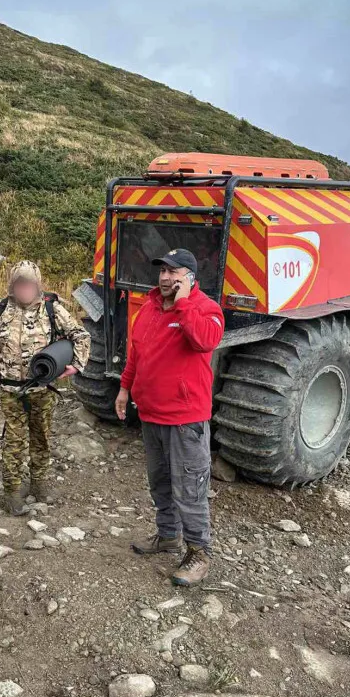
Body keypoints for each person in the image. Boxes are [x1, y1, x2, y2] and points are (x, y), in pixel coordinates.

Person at [115, 248, 224, 587]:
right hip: (151, 414)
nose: (165, 277)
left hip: (184, 418)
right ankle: (167, 536)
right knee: (160, 481)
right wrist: (124, 388)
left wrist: (185, 302)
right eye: (162, 271)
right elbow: (137, 352)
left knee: (189, 488)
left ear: (190, 279)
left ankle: (198, 553)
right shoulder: (148, 309)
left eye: (174, 272)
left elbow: (205, 340)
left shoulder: (206, 310)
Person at [0, 261, 91, 515]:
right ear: (12, 286)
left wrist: (76, 365)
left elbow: (80, 335)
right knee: (13, 442)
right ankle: (12, 492)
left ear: (37, 285)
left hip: (43, 390)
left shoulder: (52, 308)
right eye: (20, 284)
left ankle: (39, 484)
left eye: (29, 284)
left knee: (42, 438)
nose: (25, 289)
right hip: (10, 392)